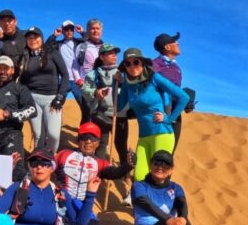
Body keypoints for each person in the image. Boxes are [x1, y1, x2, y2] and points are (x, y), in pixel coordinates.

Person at [55, 123, 142, 225]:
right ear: (78, 139)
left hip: (84, 205)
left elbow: (114, 173)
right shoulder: (63, 154)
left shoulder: (99, 162)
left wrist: (127, 166)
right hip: (61, 202)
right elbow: (46, 167)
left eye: (92, 138)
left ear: (97, 142)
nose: (88, 141)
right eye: (84, 137)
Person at [117, 48, 189, 181]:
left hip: (162, 133)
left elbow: (183, 97)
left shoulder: (154, 78)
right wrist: (115, 83)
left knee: (158, 177)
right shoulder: (128, 84)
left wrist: (169, 119)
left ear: (143, 63)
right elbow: (119, 107)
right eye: (128, 64)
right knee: (139, 177)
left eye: (136, 62)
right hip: (144, 136)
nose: (132, 66)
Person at [0, 55, 37, 180]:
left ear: (12, 70)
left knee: (17, 173)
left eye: (5, 68)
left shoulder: (20, 89)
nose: (2, 71)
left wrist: (7, 114)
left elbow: (32, 110)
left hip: (11, 138)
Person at [18, 26, 69, 153]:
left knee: (53, 134)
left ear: (41, 38)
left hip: (52, 99)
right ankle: (38, 161)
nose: (33, 40)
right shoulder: (25, 56)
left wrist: (60, 96)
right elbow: (23, 80)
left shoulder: (52, 53)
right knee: (38, 134)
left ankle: (50, 160)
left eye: (36, 37)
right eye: (29, 38)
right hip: (32, 99)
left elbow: (65, 75)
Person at [81, 43, 129, 162]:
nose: (114, 55)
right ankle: (99, 172)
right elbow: (85, 90)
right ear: (102, 57)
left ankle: (125, 171)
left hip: (120, 115)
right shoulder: (93, 74)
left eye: (115, 53)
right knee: (101, 145)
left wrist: (123, 82)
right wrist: (95, 92)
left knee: (121, 144)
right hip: (100, 115)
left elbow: (133, 90)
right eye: (110, 53)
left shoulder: (123, 72)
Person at [152, 32, 193, 151]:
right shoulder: (154, 65)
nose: (178, 43)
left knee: (170, 151)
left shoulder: (177, 68)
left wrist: (187, 104)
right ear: (167, 47)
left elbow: (175, 90)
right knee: (158, 150)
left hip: (176, 112)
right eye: (174, 42)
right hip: (161, 112)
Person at [71, 19, 104, 123]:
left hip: (102, 86)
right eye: (92, 28)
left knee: (102, 116)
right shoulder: (81, 47)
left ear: (101, 30)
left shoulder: (105, 48)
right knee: (87, 116)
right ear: (88, 30)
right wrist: (78, 80)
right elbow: (75, 66)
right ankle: (84, 139)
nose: (95, 31)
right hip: (87, 87)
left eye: (97, 28)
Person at [46, 20, 84, 108]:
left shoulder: (79, 42)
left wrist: (82, 32)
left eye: (71, 29)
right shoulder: (58, 44)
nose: (69, 31)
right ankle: (58, 122)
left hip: (77, 80)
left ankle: (85, 122)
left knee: (85, 106)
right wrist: (54, 36)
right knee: (56, 106)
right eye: (66, 29)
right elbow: (46, 47)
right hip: (63, 80)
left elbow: (89, 41)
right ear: (63, 31)